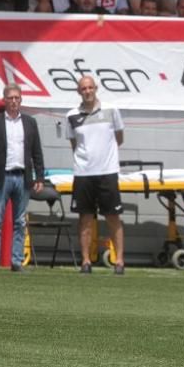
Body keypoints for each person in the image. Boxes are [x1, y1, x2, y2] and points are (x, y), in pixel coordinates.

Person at [0, 84, 45, 273]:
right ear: (4, 100)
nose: (14, 101)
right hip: (1, 178)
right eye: (10, 98)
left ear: (21, 100)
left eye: (17, 98)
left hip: (22, 178)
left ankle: (17, 262)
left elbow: (36, 152)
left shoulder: (30, 123)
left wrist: (39, 177)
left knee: (20, 222)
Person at [66, 75, 127, 274]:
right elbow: (74, 144)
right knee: (85, 218)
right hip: (83, 174)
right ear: (79, 91)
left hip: (107, 172)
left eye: (90, 87)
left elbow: (119, 138)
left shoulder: (111, 110)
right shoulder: (71, 115)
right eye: (84, 88)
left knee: (113, 217)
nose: (88, 91)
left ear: (96, 88)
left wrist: (104, 158)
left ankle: (119, 261)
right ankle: (86, 262)